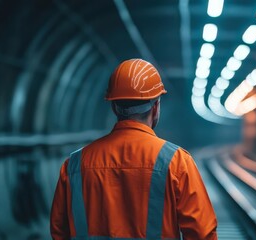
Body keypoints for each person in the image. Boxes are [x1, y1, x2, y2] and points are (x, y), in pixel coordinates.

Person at [50, 59, 218, 239]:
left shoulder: (74, 165)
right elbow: (202, 234)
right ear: (155, 107)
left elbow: (59, 231)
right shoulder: (176, 162)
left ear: (114, 107)